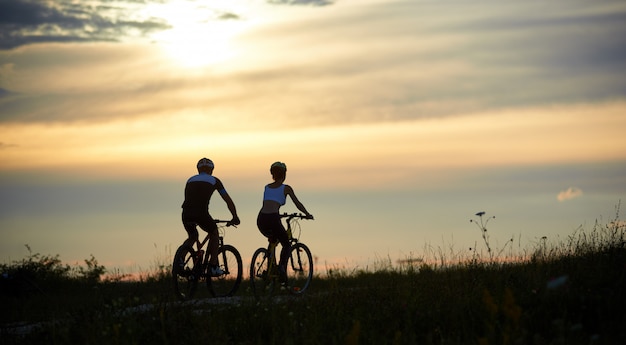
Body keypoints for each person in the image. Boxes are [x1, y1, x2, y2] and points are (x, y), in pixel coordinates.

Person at [181, 157, 240, 276]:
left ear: (198, 170)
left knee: (192, 236)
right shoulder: (214, 180)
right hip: (201, 214)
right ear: (211, 170)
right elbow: (227, 200)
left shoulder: (190, 180)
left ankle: (180, 262)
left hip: (186, 213)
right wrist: (235, 216)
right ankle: (213, 266)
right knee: (214, 232)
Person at [257, 161, 313, 283]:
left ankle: (271, 266)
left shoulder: (267, 187)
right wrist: (307, 214)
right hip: (273, 218)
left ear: (272, 174)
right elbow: (297, 203)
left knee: (273, 239)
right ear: (284, 174)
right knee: (287, 244)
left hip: (261, 219)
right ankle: (281, 268)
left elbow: (269, 203)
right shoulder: (286, 188)